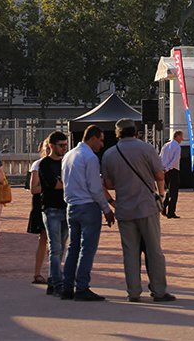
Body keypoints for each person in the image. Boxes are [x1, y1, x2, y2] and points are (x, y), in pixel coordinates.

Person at [101, 118, 175, 302]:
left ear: (117, 133)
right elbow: (159, 174)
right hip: (146, 206)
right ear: (135, 131)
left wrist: (114, 199)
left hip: (124, 208)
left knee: (130, 252)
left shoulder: (110, 154)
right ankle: (159, 291)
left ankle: (133, 292)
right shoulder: (146, 148)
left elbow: (107, 183)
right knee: (154, 250)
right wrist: (161, 195)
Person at [62, 125, 115, 301]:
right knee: (87, 249)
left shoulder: (68, 155)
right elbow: (95, 187)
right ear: (92, 138)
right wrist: (106, 209)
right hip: (88, 206)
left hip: (72, 206)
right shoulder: (90, 158)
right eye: (100, 140)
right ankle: (82, 287)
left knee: (73, 248)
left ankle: (67, 286)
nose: (101, 144)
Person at [38, 130, 69, 295]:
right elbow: (55, 185)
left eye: (65, 145)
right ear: (51, 146)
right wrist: (70, 183)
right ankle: (58, 283)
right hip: (51, 209)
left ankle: (52, 280)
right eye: (61, 145)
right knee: (55, 248)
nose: (64, 148)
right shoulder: (44, 164)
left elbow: (63, 183)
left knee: (60, 248)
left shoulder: (65, 162)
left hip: (65, 208)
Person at [28, 139, 49, 284]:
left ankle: (54, 272)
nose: (49, 151)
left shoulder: (62, 162)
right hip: (42, 205)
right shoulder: (38, 164)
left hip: (59, 204)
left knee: (58, 240)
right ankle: (38, 273)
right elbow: (33, 189)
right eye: (47, 148)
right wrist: (52, 186)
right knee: (44, 238)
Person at [160, 130, 183, 218]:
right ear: (176, 136)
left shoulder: (165, 145)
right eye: (181, 136)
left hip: (165, 171)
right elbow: (175, 160)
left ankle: (163, 207)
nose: (182, 139)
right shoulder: (177, 146)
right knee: (173, 192)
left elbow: (160, 157)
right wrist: (168, 168)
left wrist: (163, 168)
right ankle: (171, 212)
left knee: (169, 190)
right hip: (172, 170)